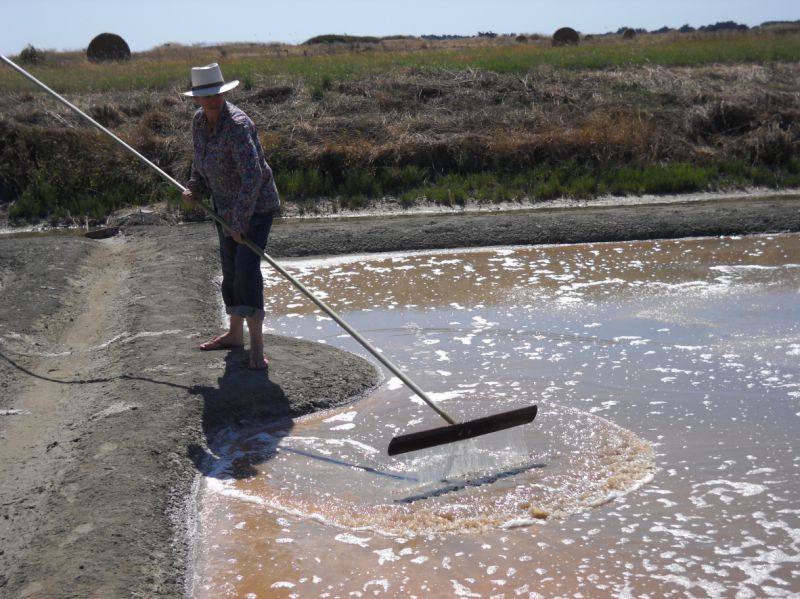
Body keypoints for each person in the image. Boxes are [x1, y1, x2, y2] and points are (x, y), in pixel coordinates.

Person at [181, 63, 280, 370]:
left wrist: (240, 222)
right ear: (197, 97)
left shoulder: (238, 125)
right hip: (224, 209)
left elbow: (252, 177)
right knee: (230, 271)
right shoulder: (199, 121)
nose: (212, 100)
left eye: (216, 94)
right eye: (206, 95)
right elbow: (200, 160)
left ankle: (257, 347)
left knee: (247, 272)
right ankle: (235, 335)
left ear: (223, 92)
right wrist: (195, 186)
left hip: (256, 208)